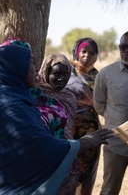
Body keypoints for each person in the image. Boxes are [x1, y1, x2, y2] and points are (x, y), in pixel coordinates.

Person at [0, 37, 114, 195]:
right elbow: (39, 145)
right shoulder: (12, 105)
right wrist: (79, 144)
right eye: (31, 62)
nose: (35, 68)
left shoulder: (20, 96)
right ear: (17, 67)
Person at [94, 31, 128, 195]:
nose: (126, 51)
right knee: (109, 188)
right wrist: (116, 122)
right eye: (122, 47)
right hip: (114, 142)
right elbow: (99, 105)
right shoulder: (105, 73)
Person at [31, 53, 80, 195]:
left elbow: (68, 127)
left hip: (67, 152)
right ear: (46, 72)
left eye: (66, 74)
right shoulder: (35, 94)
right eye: (56, 74)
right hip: (44, 156)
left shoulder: (69, 97)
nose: (61, 78)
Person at [65, 37, 101, 195]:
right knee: (66, 173)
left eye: (92, 52)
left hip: (92, 133)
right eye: (84, 51)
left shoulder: (100, 77)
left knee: (86, 175)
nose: (87, 55)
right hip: (67, 132)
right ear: (76, 53)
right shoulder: (65, 73)